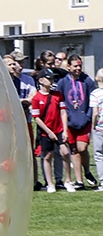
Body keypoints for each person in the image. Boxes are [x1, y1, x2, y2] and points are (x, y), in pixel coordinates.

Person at [56, 54, 97, 189]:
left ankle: (87, 171)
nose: (78, 68)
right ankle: (79, 181)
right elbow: (60, 101)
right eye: (75, 66)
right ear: (68, 67)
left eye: (80, 66)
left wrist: (88, 117)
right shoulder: (63, 82)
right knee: (73, 150)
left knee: (82, 148)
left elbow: (93, 100)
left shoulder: (87, 81)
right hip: (69, 121)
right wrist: (65, 118)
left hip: (84, 120)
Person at [30, 68, 69, 193]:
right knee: (47, 156)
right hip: (46, 131)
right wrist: (48, 131)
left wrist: (65, 130)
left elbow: (63, 112)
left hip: (58, 129)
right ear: (41, 80)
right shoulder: (37, 98)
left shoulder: (57, 95)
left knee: (65, 152)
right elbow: (37, 118)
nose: (52, 81)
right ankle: (50, 183)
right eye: (49, 78)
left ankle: (67, 180)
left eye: (53, 78)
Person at [4, 54, 38, 189]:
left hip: (25, 122)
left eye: (15, 63)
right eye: (12, 64)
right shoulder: (3, 81)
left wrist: (21, 103)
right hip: (8, 124)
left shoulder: (27, 80)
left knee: (28, 152)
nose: (16, 66)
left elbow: (32, 97)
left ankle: (33, 182)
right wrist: (21, 103)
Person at [91, 68, 103, 192]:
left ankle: (102, 181)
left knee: (99, 155)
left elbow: (95, 113)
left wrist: (93, 125)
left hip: (100, 127)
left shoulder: (95, 94)